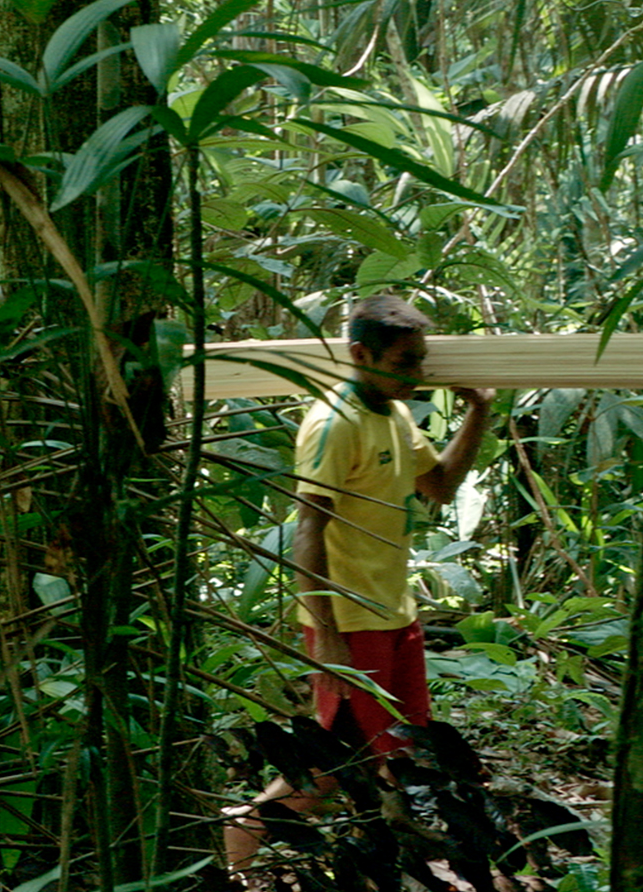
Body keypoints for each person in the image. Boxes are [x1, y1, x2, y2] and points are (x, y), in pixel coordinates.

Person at [222, 294, 493, 872]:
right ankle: (237, 844)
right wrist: (328, 638)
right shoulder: (333, 424)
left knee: (399, 755)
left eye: (420, 361)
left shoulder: (393, 413)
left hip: (395, 614)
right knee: (336, 766)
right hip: (349, 622)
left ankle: (382, 866)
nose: (417, 375)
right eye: (403, 363)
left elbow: (439, 486)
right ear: (360, 355)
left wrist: (479, 410)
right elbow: (308, 532)